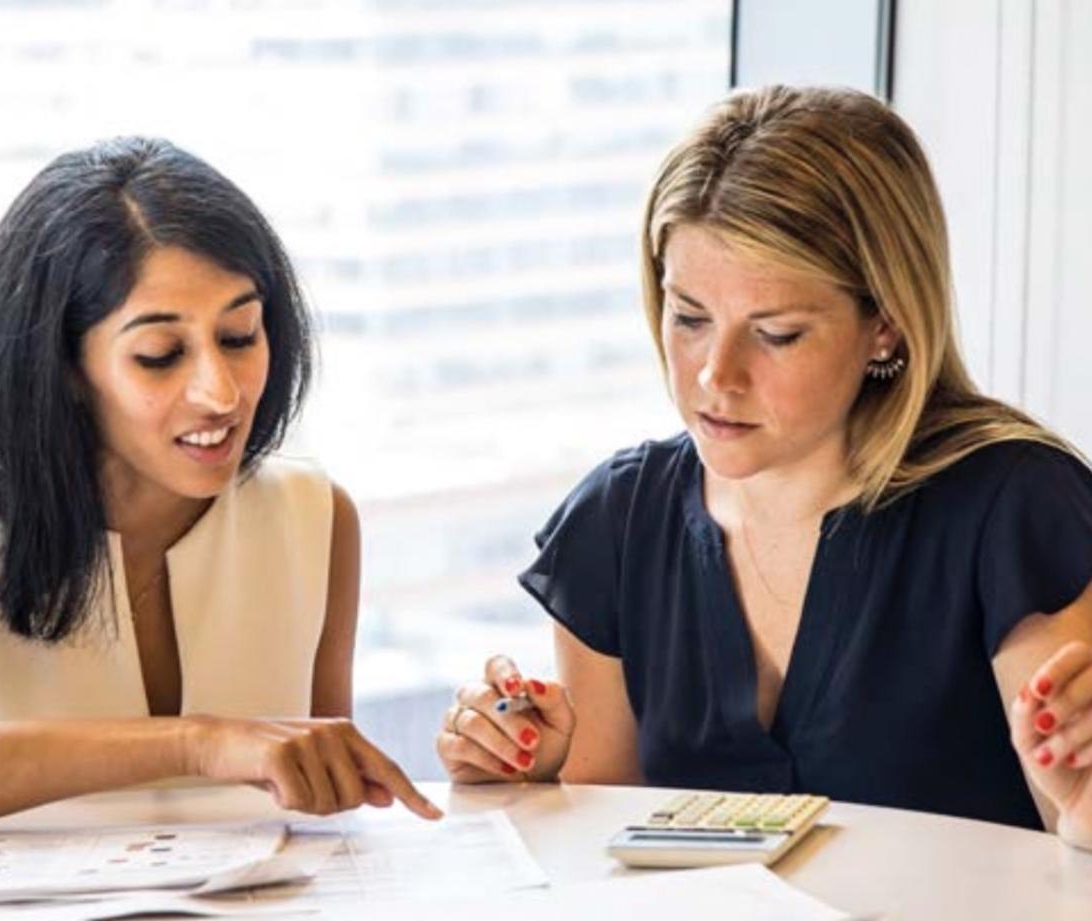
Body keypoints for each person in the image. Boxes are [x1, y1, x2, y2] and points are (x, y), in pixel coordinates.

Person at [436, 85, 1092, 849]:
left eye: (776, 333)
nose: (716, 374)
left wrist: (1081, 807)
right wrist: (526, 773)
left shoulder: (1015, 506)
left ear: (886, 324)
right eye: (688, 318)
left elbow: (1071, 828)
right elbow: (607, 850)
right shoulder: (616, 521)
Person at [0, 137, 440, 832]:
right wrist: (198, 742)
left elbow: (322, 811)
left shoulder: (315, 518)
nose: (220, 392)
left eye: (240, 336)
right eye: (160, 355)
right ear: (60, 364)